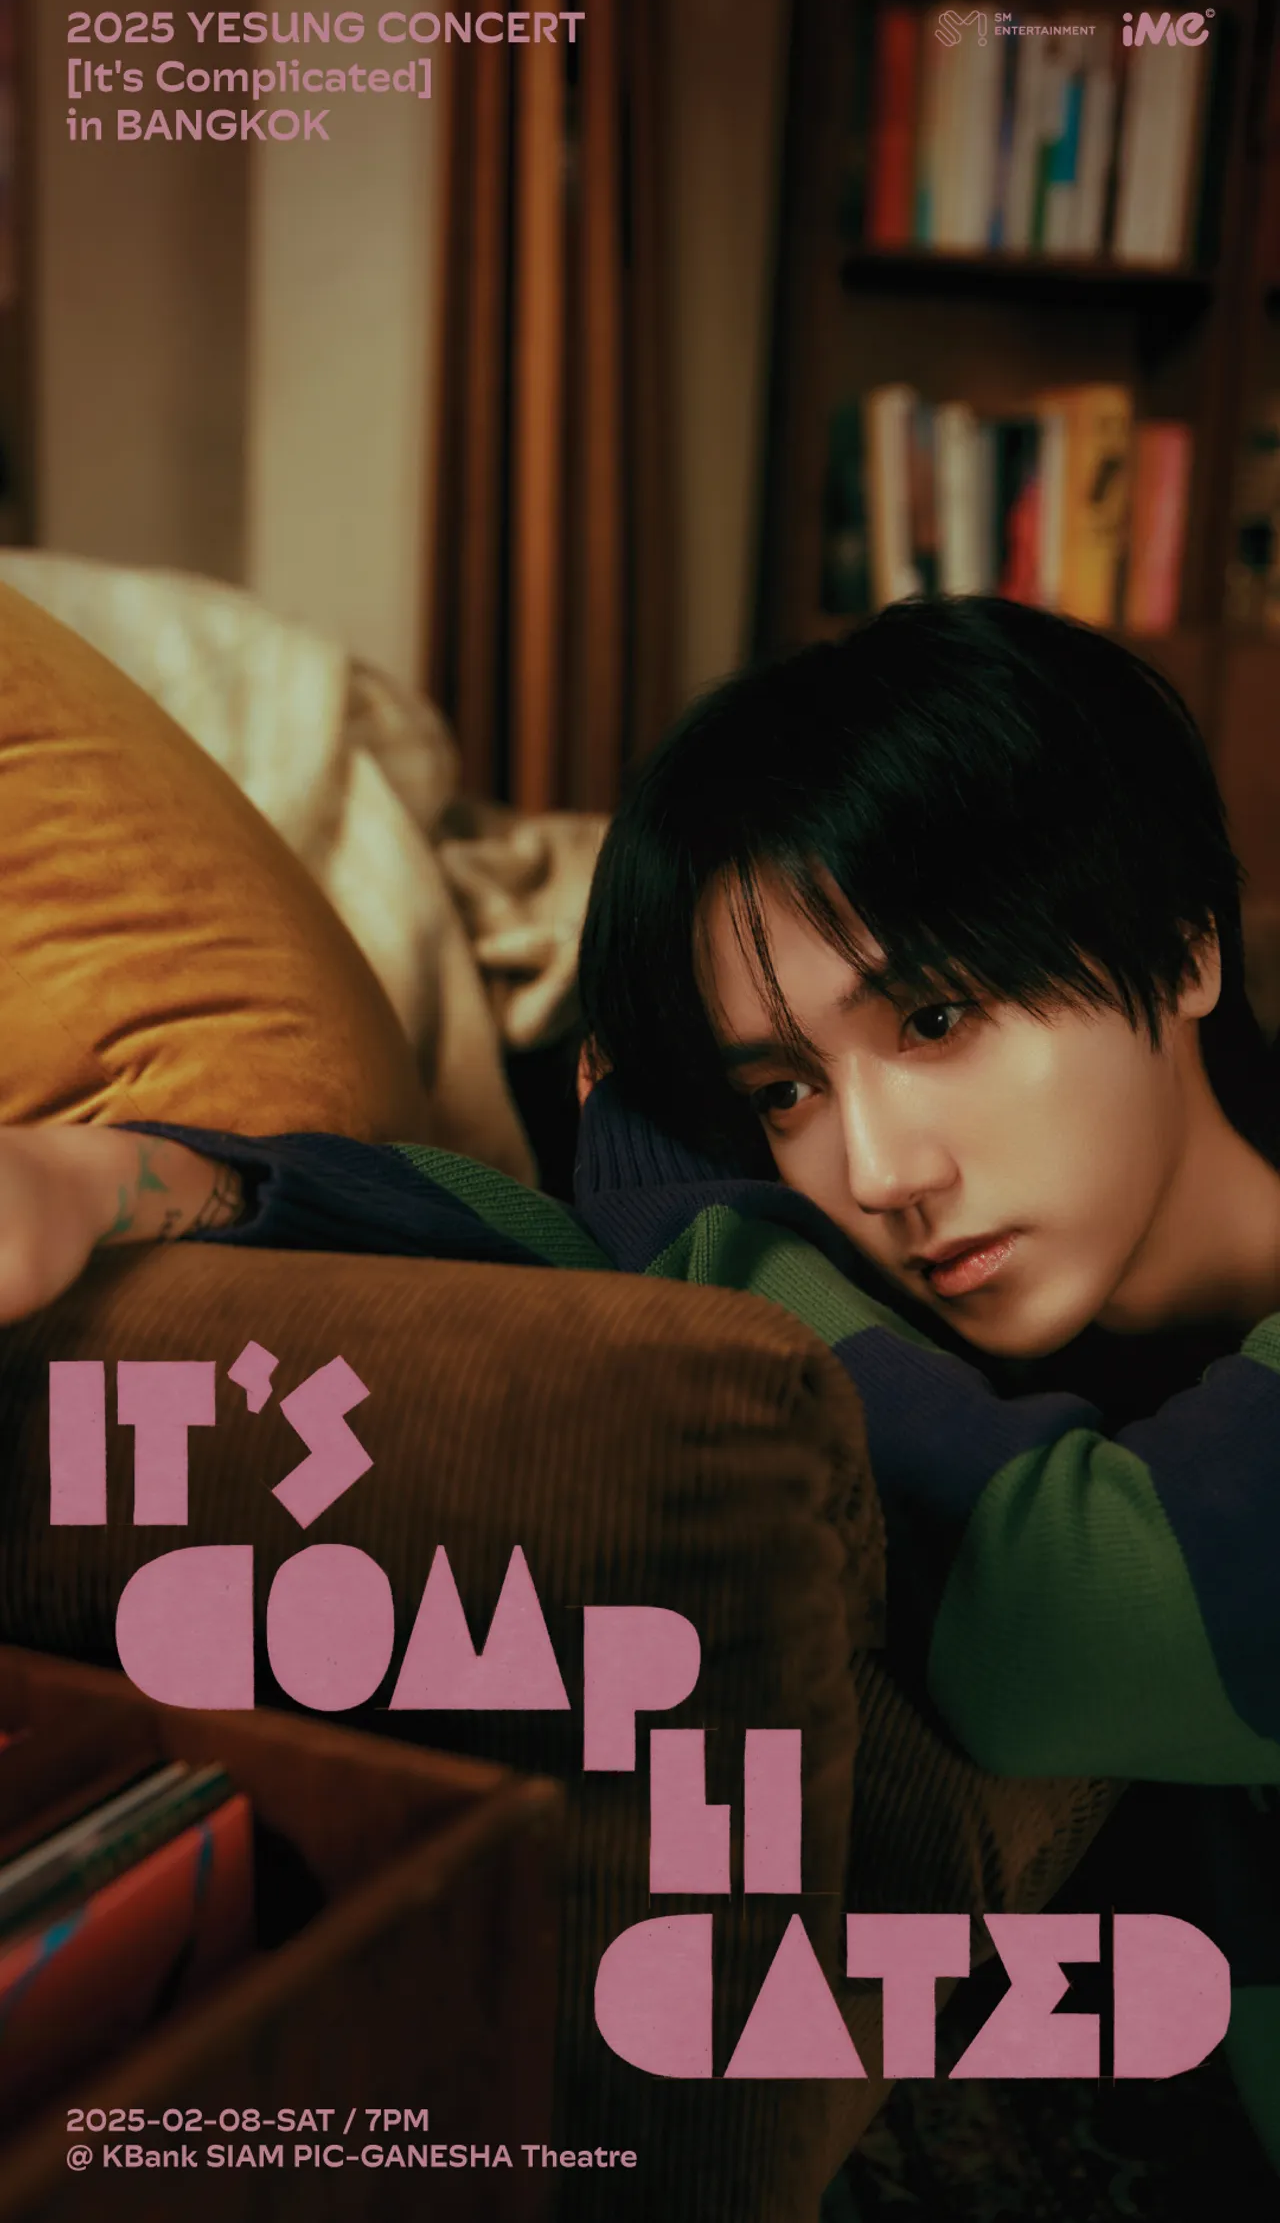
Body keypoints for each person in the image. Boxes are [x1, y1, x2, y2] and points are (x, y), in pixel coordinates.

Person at [2, 597, 1280, 2145]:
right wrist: (119, 1181)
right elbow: (543, 1277)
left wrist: (704, 1215)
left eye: (938, 1016)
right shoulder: (962, 1299)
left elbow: (1065, 1632)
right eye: (784, 1091)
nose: (881, 1170)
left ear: (1186, 942)